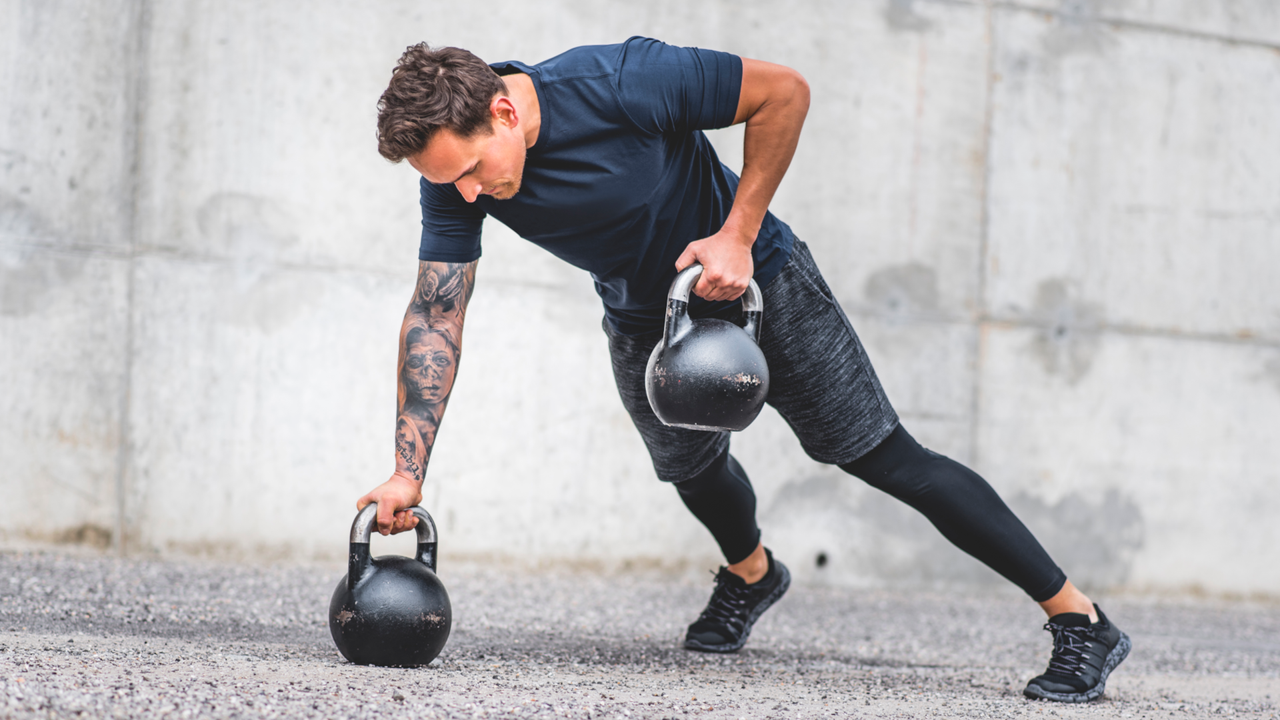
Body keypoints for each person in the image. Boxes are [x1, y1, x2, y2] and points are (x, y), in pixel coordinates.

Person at [356, 37, 1130, 703]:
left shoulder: (622, 82)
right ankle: (753, 574)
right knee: (688, 468)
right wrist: (406, 471)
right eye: (446, 180)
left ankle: (1079, 619)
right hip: (646, 317)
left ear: (503, 113)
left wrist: (737, 233)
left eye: (469, 170)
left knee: (880, 456)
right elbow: (436, 313)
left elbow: (782, 92)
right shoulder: (451, 179)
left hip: (763, 284)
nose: (464, 192)